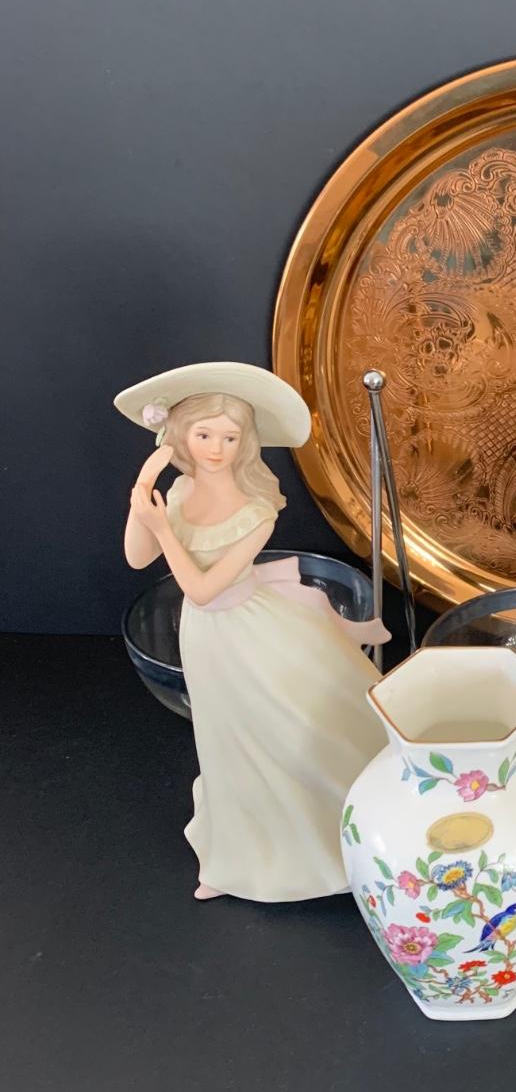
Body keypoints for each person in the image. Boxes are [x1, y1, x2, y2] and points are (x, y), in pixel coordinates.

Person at [116, 362, 389, 901]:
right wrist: (142, 495)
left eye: (229, 437)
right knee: (224, 742)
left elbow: (201, 589)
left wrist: (162, 528)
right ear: (181, 437)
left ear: (245, 442)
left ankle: (325, 844)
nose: (216, 448)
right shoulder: (179, 491)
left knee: (284, 735)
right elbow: (136, 558)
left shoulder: (257, 511)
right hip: (206, 639)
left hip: (255, 633)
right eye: (204, 435)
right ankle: (233, 857)